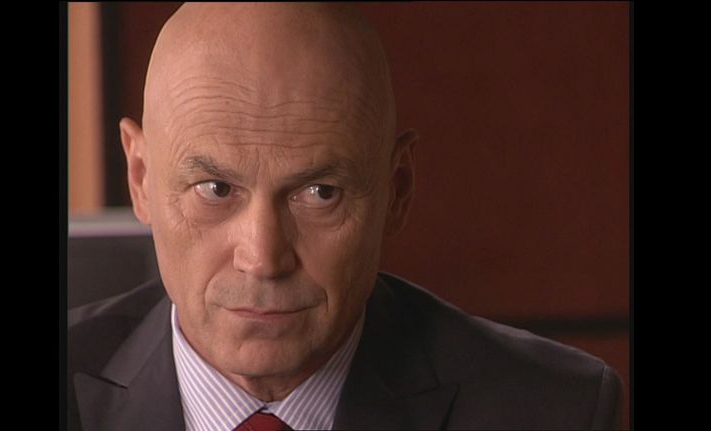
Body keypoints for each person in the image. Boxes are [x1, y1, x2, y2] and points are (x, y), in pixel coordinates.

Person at [68, 3, 623, 430]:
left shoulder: (553, 410)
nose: (263, 258)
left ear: (396, 190)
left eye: (319, 193)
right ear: (140, 177)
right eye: (215, 189)